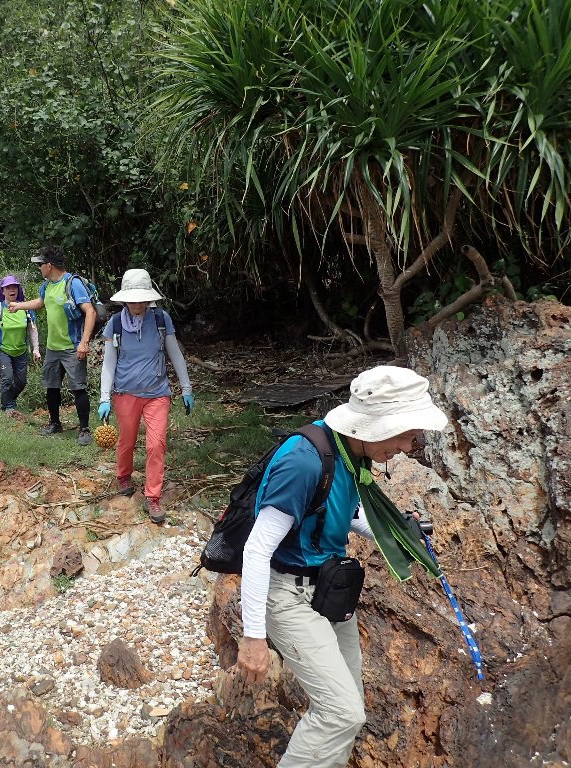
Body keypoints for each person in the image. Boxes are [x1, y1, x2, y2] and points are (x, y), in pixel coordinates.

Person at [236, 365, 448, 768]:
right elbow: (257, 549)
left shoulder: (351, 454)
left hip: (329, 592)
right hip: (288, 595)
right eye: (407, 434)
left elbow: (341, 512)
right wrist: (253, 637)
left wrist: (398, 534)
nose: (409, 446)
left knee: (350, 710)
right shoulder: (304, 463)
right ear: (377, 425)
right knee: (340, 712)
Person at [96, 269, 194, 524]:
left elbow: (175, 354)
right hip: (125, 393)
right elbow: (109, 363)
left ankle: (153, 496)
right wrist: (104, 397)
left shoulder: (161, 319)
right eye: (133, 300)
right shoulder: (115, 323)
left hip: (157, 393)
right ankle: (123, 476)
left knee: (156, 444)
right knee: (127, 441)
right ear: (124, 300)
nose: (137, 304)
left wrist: (186, 388)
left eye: (142, 300)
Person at [7, 245, 96, 446]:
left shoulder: (72, 284)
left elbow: (90, 311)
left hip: (73, 346)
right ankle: (55, 423)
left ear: (49, 265)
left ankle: (84, 429)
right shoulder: (47, 286)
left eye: (40, 264)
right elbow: (40, 302)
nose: (39, 268)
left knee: (78, 388)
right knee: (51, 386)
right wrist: (18, 306)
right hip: (53, 347)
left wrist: (84, 342)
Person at [0, 274, 41, 414]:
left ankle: (8, 400)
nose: (12, 290)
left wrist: (36, 349)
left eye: (14, 287)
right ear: (3, 291)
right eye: (8, 288)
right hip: (4, 351)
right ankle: (8, 407)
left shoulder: (26, 309)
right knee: (7, 378)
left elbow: (32, 329)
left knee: (21, 382)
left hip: (21, 351)